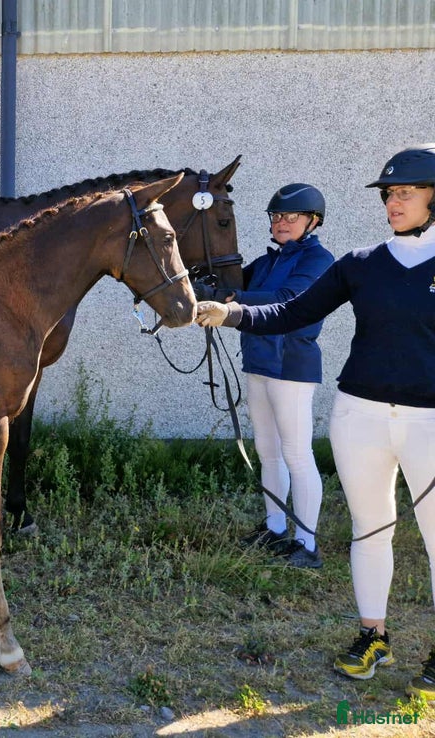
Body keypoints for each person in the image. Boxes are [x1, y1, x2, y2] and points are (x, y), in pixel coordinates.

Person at [196, 145, 435, 699]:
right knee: (371, 530)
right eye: (388, 194)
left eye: (405, 193)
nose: (393, 203)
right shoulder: (360, 263)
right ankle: (372, 635)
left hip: (429, 419)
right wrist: (228, 312)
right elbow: (291, 310)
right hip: (361, 414)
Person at [198, 184, 334, 568]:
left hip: (291, 366)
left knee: (297, 455)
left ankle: (307, 544)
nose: (281, 223)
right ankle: (276, 527)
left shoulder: (319, 261)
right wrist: (202, 289)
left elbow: (289, 299)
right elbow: (232, 286)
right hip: (257, 363)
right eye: (276, 217)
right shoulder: (265, 261)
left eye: (290, 217)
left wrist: (230, 303)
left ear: (313, 221)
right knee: (268, 453)